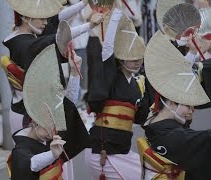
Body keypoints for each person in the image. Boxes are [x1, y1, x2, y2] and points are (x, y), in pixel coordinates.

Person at [85, 2, 154, 179]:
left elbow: (141, 118)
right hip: (103, 150)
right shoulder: (111, 77)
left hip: (122, 149)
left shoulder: (139, 83)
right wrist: (115, 16)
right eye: (132, 58)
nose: (137, 62)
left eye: (139, 58)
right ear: (121, 59)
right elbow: (107, 50)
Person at [138, 31, 211, 180]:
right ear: (172, 102)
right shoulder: (171, 137)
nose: (192, 110)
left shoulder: (155, 119)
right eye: (188, 105)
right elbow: (205, 140)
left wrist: (192, 51)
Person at [9, 43, 82, 180]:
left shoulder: (47, 133)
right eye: (49, 124)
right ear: (34, 121)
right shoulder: (21, 150)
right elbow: (33, 163)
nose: (55, 129)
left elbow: (68, 104)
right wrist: (52, 155)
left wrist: (74, 72)